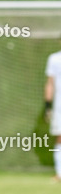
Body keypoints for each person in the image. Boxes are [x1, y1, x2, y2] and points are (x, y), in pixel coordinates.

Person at [45, 48, 61, 181]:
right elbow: (50, 83)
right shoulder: (54, 58)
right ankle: (59, 173)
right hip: (59, 104)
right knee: (60, 137)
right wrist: (48, 106)